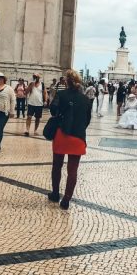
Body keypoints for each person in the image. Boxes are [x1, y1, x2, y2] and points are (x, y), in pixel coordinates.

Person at [48, 69, 92, 209]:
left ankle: (55, 194)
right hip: (78, 137)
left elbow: (53, 110)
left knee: (57, 166)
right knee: (72, 170)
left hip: (62, 134)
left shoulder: (61, 94)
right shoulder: (86, 100)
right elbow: (87, 120)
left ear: (66, 81)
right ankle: (66, 200)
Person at [25, 73, 46, 137]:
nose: (35, 78)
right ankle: (27, 130)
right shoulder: (31, 84)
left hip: (39, 104)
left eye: (36, 77)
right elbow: (26, 92)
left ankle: (35, 130)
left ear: (39, 78)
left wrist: (45, 101)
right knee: (29, 117)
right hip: (31, 103)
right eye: (34, 77)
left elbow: (45, 93)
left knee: (37, 118)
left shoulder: (42, 84)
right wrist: (31, 86)